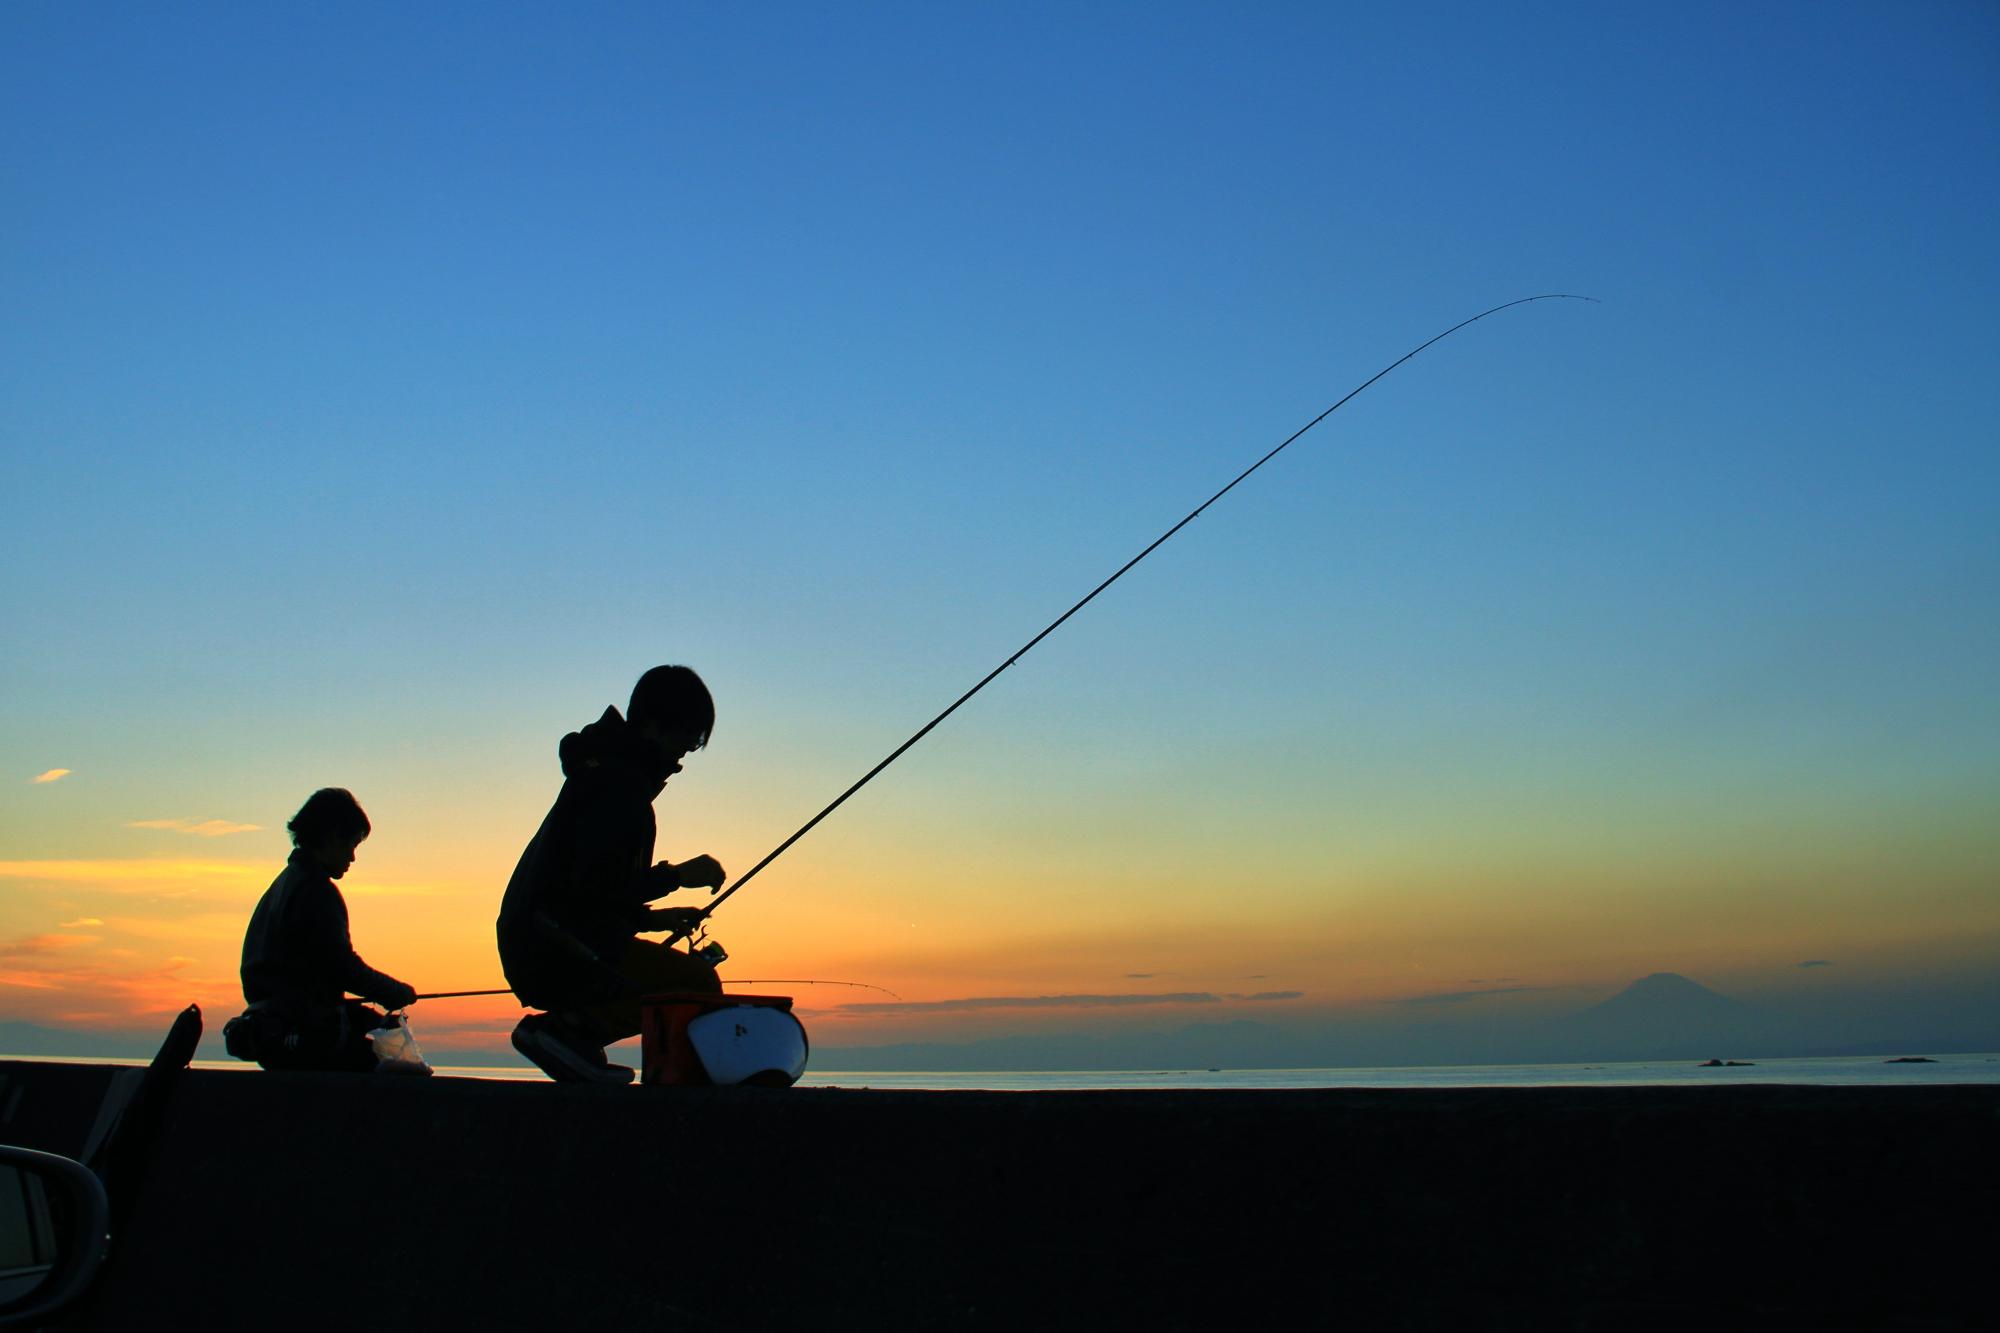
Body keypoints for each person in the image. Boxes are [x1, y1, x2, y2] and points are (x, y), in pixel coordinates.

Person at [498, 665, 728, 1083]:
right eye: (691, 737)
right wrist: (676, 875)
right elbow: (594, 887)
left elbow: (588, 895)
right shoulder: (617, 788)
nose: (689, 751)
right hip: (555, 948)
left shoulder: (605, 776)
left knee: (688, 982)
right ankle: (570, 1032)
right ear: (658, 726)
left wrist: (654, 919)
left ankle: (575, 1039)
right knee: (697, 985)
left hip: (543, 938)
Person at [226, 788, 418, 1071]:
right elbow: (342, 966)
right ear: (330, 837)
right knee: (390, 1059)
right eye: (350, 845)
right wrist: (394, 991)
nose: (352, 857)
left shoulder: (282, 886)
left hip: (273, 1032)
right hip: (306, 1035)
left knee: (374, 1025)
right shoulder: (316, 891)